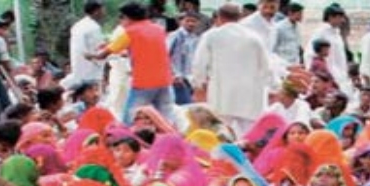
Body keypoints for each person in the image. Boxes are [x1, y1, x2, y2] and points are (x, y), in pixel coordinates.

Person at [191, 4, 270, 139]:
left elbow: (199, 64)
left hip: (222, 92)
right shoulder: (254, 37)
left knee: (221, 131)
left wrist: (198, 84)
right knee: (248, 134)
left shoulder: (212, 36)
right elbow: (266, 66)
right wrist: (270, 86)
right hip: (249, 93)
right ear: (240, 17)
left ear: (219, 17)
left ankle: (222, 158)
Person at [98, 3, 176, 124]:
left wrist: (90, 55)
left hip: (144, 82)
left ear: (127, 17)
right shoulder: (159, 29)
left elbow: (104, 54)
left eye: (121, 17)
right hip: (165, 80)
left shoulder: (130, 32)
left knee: (130, 118)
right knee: (166, 119)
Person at [68, 1, 107, 89]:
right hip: (91, 70)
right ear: (96, 11)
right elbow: (99, 48)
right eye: (103, 9)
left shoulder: (78, 25)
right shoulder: (93, 28)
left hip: (79, 68)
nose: (104, 12)